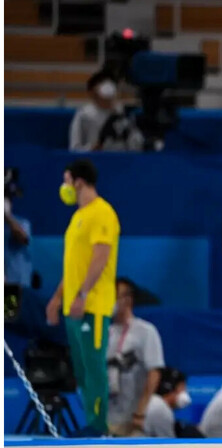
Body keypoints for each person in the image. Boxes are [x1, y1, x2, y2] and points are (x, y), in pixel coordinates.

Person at [45, 158, 121, 436]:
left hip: (93, 305)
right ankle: (91, 422)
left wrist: (83, 295)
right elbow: (74, 267)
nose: (64, 187)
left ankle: (98, 427)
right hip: (73, 305)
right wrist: (57, 299)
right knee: (81, 371)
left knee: (94, 368)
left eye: (66, 180)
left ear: (78, 181)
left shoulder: (102, 213)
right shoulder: (78, 217)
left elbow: (100, 257)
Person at [106, 278, 166, 436]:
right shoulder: (107, 332)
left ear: (127, 299)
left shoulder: (146, 331)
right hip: (110, 416)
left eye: (113, 296)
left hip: (134, 417)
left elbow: (154, 372)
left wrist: (140, 413)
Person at [69, 71, 143, 152]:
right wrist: (91, 148)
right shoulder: (84, 115)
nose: (107, 86)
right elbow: (74, 148)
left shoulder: (124, 112)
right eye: (101, 83)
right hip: (95, 160)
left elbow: (137, 144)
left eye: (110, 83)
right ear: (92, 92)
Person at [143, 367, 193, 438]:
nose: (185, 392)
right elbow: (168, 443)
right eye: (183, 388)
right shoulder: (161, 408)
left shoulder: (155, 402)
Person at [5, 167, 33, 289]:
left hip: (14, 285)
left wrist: (6, 216)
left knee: (9, 309)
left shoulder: (22, 223)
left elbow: (23, 238)